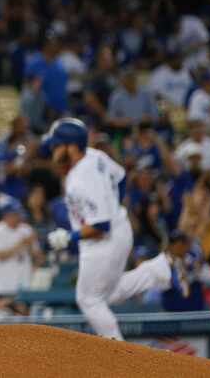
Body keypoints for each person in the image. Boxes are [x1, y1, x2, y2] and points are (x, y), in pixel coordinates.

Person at [44, 119, 174, 340]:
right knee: (107, 293)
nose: (53, 151)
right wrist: (114, 206)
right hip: (120, 231)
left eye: (57, 145)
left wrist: (68, 238)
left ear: (71, 147)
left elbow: (100, 227)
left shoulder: (80, 179)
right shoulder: (95, 156)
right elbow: (121, 177)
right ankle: (158, 271)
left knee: (89, 300)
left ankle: (117, 350)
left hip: (103, 243)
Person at [0, 200, 39, 298]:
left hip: (24, 283)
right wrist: (21, 243)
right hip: (3, 286)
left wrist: (31, 244)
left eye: (19, 214)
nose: (19, 217)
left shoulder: (26, 229)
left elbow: (37, 256)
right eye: (15, 214)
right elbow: (0, 256)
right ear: (6, 215)